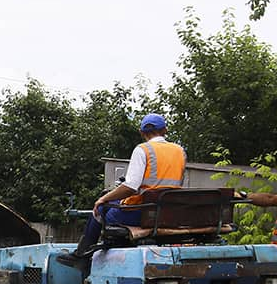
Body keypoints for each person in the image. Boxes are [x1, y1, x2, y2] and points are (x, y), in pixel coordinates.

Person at [58, 113, 187, 268]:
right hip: (169, 213)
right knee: (112, 206)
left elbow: (130, 186)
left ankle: (82, 255)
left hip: (143, 214)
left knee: (102, 209)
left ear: (141, 132)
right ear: (165, 130)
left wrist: (103, 199)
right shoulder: (180, 151)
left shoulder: (143, 150)